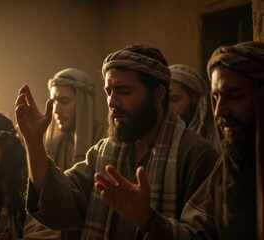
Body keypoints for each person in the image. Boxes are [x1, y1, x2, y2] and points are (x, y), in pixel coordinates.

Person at [15, 44, 219, 239]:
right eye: (109, 92)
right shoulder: (104, 153)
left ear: (158, 94)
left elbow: (205, 234)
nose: (112, 102)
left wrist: (148, 220)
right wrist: (34, 142)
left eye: (124, 91)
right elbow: (59, 199)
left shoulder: (197, 155)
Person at [95, 41, 264, 240]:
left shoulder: (198, 154)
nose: (219, 111)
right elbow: (197, 235)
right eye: (215, 98)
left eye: (234, 96)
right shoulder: (228, 170)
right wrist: (148, 219)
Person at [45, 68, 107, 170]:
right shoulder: (58, 144)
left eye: (64, 101)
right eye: (53, 103)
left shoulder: (105, 141)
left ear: (83, 103)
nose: (56, 110)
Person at [169, 64, 220, 151]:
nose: (168, 107)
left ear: (194, 98)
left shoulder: (216, 136)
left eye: (174, 99)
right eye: (164, 101)